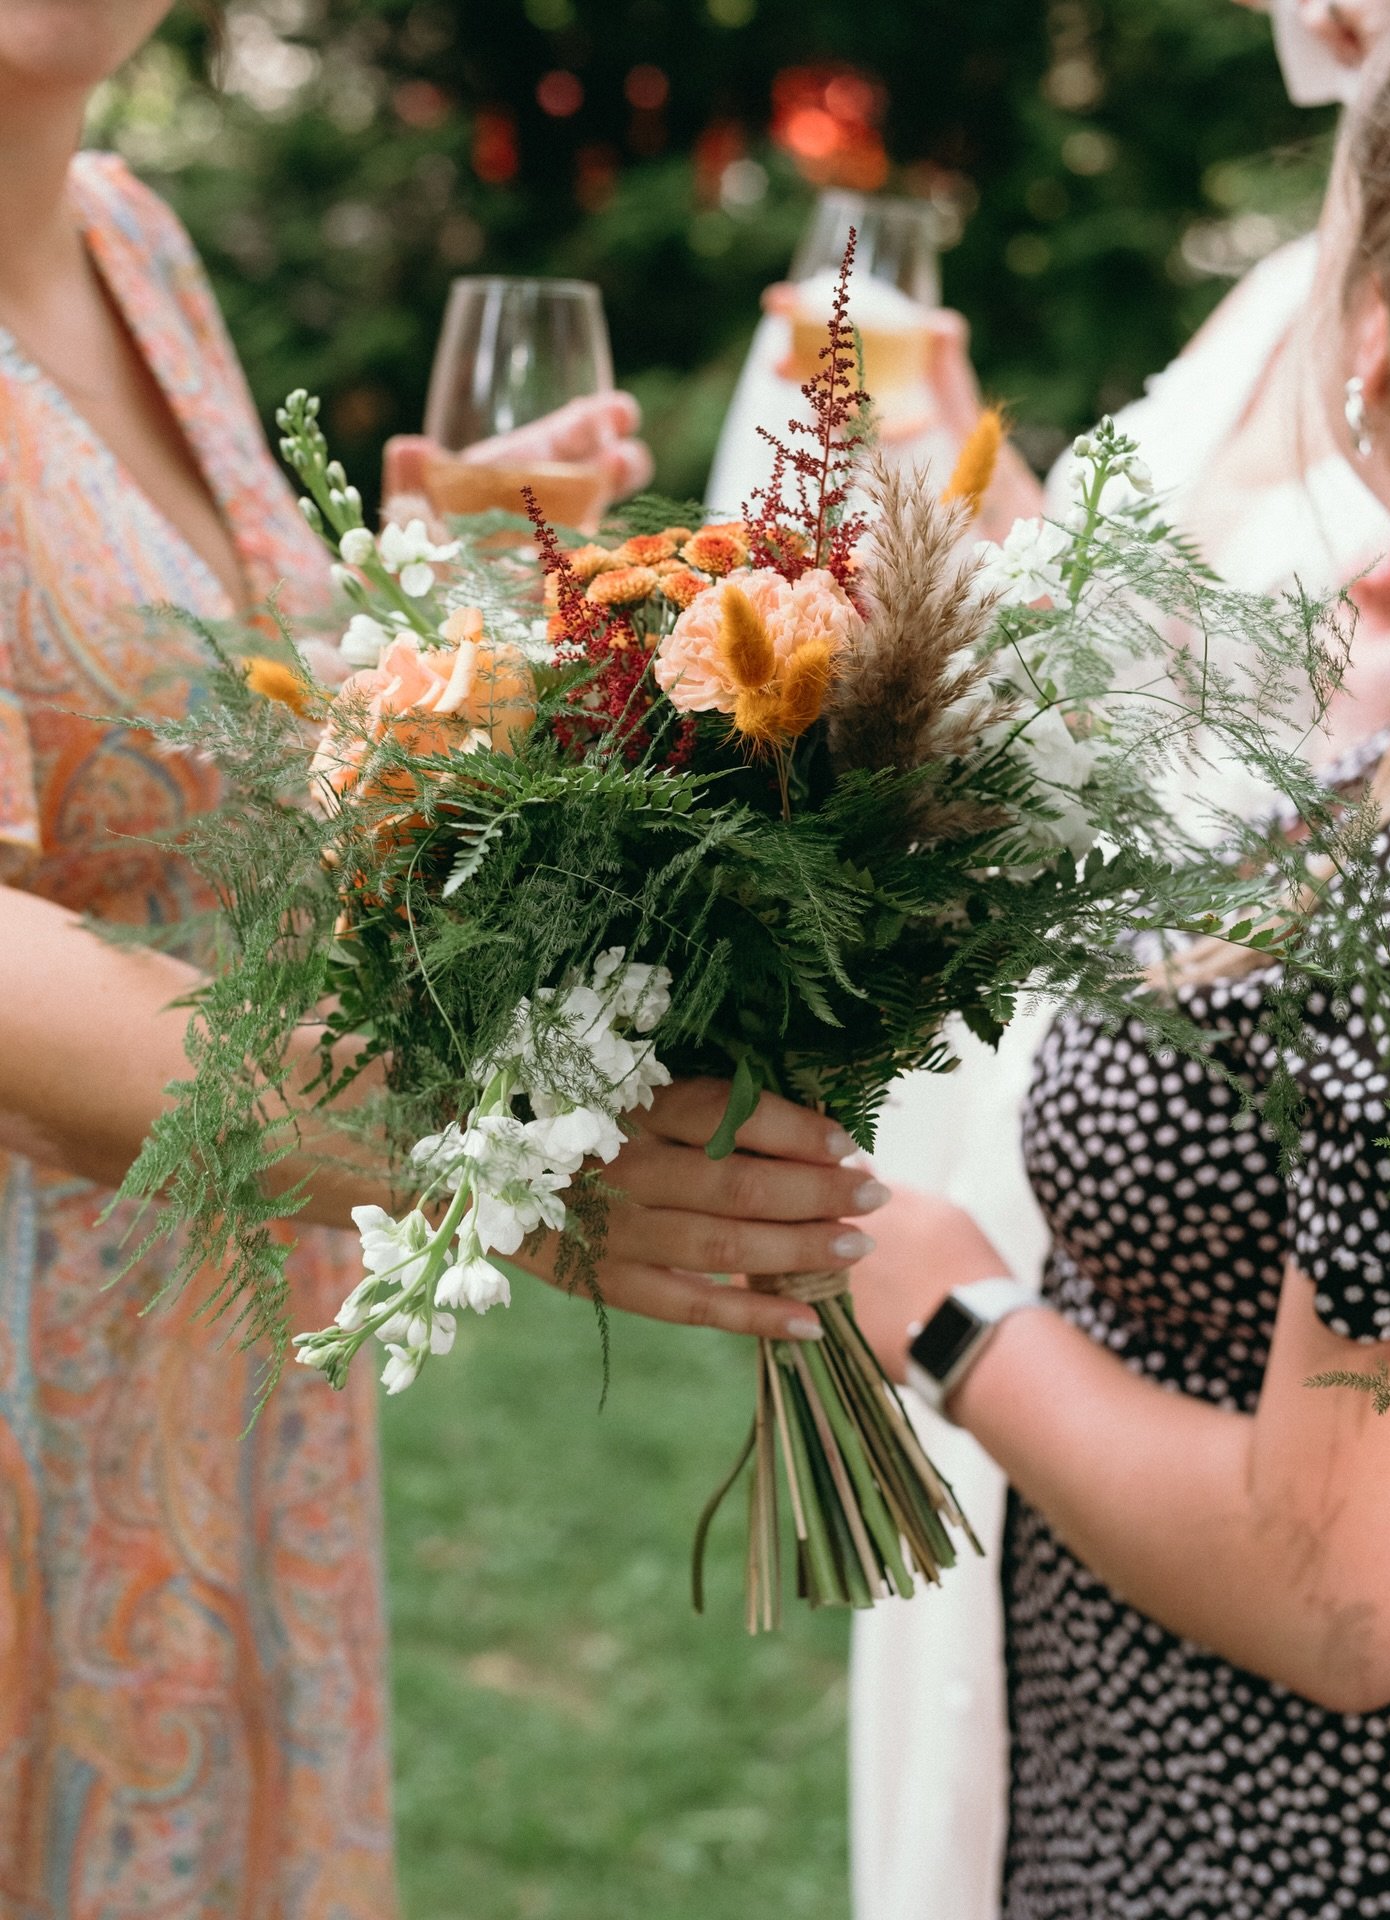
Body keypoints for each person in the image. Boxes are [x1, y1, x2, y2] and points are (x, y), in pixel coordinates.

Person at [0, 5, 872, 1910]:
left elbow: (194, 736)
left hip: (232, 1330)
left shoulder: (131, 238)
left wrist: (429, 572)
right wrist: (503, 1162)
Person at [841, 20, 1390, 1914]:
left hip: (1279, 1853)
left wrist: (948, 1312)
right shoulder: (1372, 779)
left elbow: (1347, 1594)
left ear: (1365, 351)